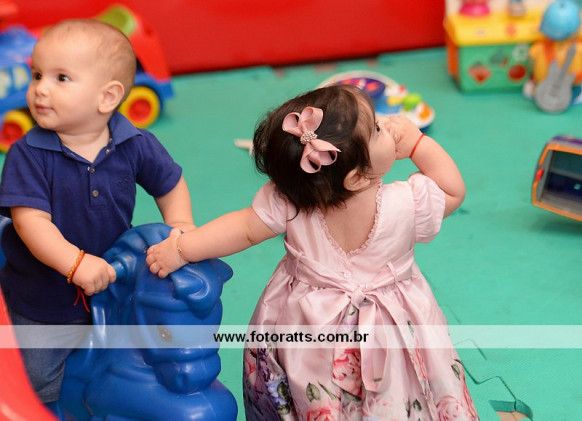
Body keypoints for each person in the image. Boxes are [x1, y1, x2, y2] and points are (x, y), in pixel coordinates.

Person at [146, 85, 478, 420]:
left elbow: (244, 228)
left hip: (308, 326)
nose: (389, 126)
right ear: (357, 177)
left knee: (313, 394)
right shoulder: (407, 203)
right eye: (377, 128)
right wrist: (418, 143)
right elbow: (452, 190)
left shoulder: (290, 200)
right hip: (390, 324)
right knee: (404, 387)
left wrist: (182, 249)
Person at [0, 19, 194, 408]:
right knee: (38, 378)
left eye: (61, 78)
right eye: (37, 75)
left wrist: (180, 226)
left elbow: (169, 184)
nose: (40, 88)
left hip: (113, 283)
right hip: (43, 298)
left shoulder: (134, 142)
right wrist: (75, 263)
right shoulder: (27, 153)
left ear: (107, 97)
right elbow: (29, 222)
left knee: (118, 360)